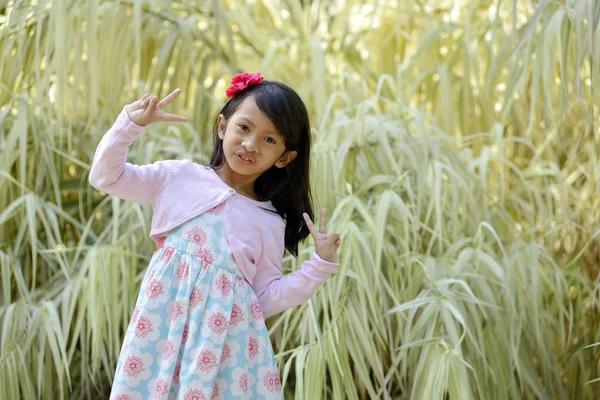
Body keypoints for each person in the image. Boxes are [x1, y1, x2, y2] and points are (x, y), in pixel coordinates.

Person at [88, 72, 342, 399]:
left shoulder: (269, 222)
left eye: (269, 139)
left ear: (284, 157)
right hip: (161, 334)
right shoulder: (179, 177)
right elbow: (106, 177)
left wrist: (319, 266)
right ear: (223, 126)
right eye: (244, 128)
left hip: (225, 352)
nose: (251, 144)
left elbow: (265, 297)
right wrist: (129, 126)